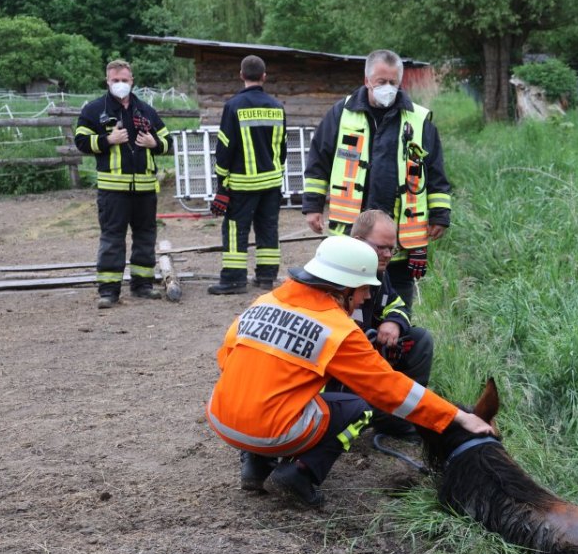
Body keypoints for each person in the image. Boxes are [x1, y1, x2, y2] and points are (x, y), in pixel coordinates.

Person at [205, 235, 493, 509]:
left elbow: (226, 360)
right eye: (365, 288)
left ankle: (255, 465)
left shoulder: (263, 303)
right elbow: (391, 388)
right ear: (343, 287)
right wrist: (456, 416)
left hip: (221, 418)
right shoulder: (337, 329)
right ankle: (300, 474)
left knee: (273, 390)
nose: (367, 297)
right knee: (359, 407)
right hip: (273, 432)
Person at [301, 49, 452, 311]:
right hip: (352, 233)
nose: (388, 88)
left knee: (397, 313)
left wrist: (440, 214)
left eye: (393, 83)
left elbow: (435, 169)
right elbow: (318, 161)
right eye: (381, 82)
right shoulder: (342, 113)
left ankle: (395, 344)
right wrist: (312, 205)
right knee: (350, 307)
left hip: (400, 240)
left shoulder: (418, 120)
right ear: (367, 80)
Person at [74, 59, 171, 309]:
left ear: (132, 81)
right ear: (107, 81)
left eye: (124, 80)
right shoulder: (94, 110)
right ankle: (108, 291)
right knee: (112, 239)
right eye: (115, 80)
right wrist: (108, 139)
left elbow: (168, 141)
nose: (120, 84)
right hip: (113, 190)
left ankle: (143, 285)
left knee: (145, 238)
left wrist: (155, 144)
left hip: (145, 189)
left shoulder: (146, 111)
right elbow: (81, 141)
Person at [348, 209, 435, 436]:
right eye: (381, 248)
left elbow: (397, 305)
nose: (388, 254)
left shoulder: (379, 273)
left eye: (391, 248)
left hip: (366, 353)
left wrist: (393, 322)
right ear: (358, 242)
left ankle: (398, 419)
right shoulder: (337, 272)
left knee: (420, 340)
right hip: (341, 362)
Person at [207, 55, 288, 294]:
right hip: (272, 182)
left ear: (241, 75)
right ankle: (266, 277)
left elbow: (225, 148)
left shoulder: (233, 106)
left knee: (235, 230)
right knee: (268, 228)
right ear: (264, 76)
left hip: (242, 183)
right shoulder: (277, 107)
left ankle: (233, 280)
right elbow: (282, 147)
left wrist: (222, 184)